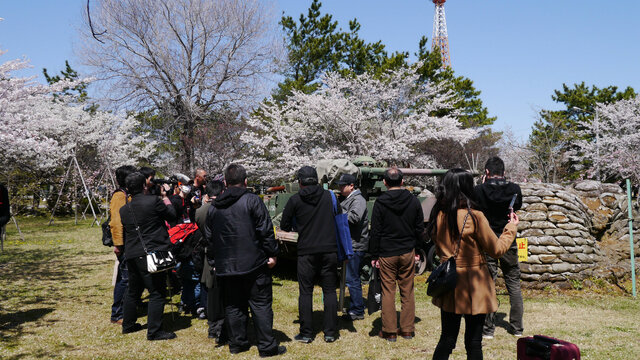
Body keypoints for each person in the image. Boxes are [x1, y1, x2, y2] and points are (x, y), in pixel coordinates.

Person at [429, 169, 519, 360]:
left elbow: (438, 248)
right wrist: (511, 228)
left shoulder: (438, 214)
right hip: (474, 284)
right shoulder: (474, 216)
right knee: (474, 342)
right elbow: (496, 249)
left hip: (449, 282)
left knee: (446, 338)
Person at [205, 164, 285, 357]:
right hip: (254, 264)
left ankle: (237, 343)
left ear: (224, 182)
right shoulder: (252, 201)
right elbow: (266, 231)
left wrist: (215, 261)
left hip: (227, 266)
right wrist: (272, 254)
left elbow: (210, 238)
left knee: (233, 306)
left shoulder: (213, 207)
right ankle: (266, 346)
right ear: (246, 181)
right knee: (260, 305)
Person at [280, 166, 339, 344]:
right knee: (329, 291)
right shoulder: (331, 197)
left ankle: (306, 333)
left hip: (306, 251)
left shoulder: (294, 200)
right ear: (317, 180)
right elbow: (339, 217)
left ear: (299, 182)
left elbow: (285, 224)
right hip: (329, 249)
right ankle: (330, 332)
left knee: (305, 292)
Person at [120, 172, 177, 341]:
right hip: (151, 252)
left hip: (131, 253)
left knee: (133, 291)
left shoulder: (124, 209)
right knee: (157, 291)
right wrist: (166, 197)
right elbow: (172, 216)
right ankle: (154, 331)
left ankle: (128, 325)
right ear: (145, 185)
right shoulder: (153, 201)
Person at [369, 167, 424, 342]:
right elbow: (419, 229)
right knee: (408, 290)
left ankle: (390, 331)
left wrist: (374, 255)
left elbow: (375, 231)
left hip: (386, 252)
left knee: (388, 291)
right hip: (407, 250)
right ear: (402, 182)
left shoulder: (380, 202)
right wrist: (418, 250)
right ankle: (407, 330)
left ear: (384, 182)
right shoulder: (413, 201)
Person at [474, 156, 524, 339]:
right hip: (508, 237)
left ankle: (488, 329)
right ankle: (517, 327)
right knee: (513, 282)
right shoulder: (514, 189)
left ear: (487, 172)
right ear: (504, 172)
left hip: (487, 240)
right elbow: (516, 206)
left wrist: (482, 184)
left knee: (488, 283)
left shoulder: (478, 190)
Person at [195, 179, 226, 342]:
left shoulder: (200, 212)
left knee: (210, 291)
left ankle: (212, 326)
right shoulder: (225, 208)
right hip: (225, 254)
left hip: (209, 254)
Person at [336, 173, 369, 321]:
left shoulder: (358, 200)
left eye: (343, 185)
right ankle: (355, 306)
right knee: (350, 277)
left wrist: (338, 211)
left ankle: (357, 309)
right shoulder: (350, 199)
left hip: (355, 244)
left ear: (351, 186)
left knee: (352, 278)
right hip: (350, 243)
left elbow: (354, 218)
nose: (340, 188)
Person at [108, 165, 137, 325]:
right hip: (125, 242)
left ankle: (125, 308)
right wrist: (118, 244)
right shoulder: (120, 196)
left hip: (131, 241)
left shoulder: (129, 194)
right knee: (124, 278)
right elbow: (116, 222)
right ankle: (117, 313)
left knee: (128, 276)